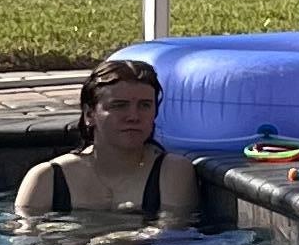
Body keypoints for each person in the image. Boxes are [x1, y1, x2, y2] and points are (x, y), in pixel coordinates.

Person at [15, 56, 199, 227]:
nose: (134, 116)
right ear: (89, 114)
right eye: (119, 106)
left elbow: (171, 231)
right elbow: (25, 243)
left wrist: (109, 242)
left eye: (145, 105)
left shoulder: (172, 171)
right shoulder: (47, 179)